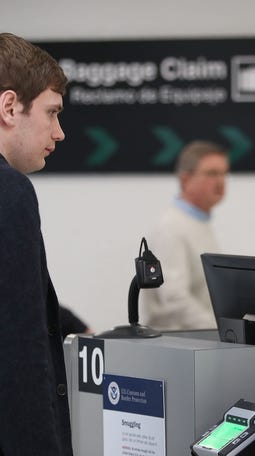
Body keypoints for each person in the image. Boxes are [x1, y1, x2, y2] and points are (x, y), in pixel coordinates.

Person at [0, 33, 73, 454]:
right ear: (10, 107)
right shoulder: (9, 192)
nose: (59, 132)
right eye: (52, 113)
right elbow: (18, 354)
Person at [142, 140, 229, 330]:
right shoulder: (171, 227)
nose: (221, 181)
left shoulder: (198, 223)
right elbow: (174, 298)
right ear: (185, 179)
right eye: (212, 173)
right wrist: (220, 330)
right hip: (178, 346)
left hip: (198, 342)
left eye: (224, 173)